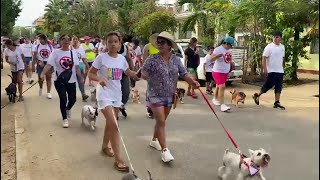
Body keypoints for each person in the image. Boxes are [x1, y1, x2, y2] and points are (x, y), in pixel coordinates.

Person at [141, 31, 200, 162]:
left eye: (163, 42)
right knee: (161, 121)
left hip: (169, 94)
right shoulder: (152, 58)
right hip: (154, 94)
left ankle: (154, 140)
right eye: (158, 42)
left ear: (169, 45)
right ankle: (165, 151)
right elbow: (143, 72)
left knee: (161, 121)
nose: (159, 44)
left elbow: (184, 74)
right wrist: (145, 75)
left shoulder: (176, 60)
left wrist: (193, 82)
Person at [88, 32, 139, 172]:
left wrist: (137, 74)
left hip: (117, 94)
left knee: (111, 123)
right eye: (109, 41)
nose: (112, 44)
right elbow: (91, 73)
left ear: (119, 43)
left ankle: (105, 147)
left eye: (115, 41)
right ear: (106, 43)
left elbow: (128, 72)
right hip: (103, 94)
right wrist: (100, 79)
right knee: (115, 125)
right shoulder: (101, 58)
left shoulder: (122, 59)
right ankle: (118, 159)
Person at [40, 34, 83, 128]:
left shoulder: (73, 53)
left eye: (68, 39)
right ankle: (64, 119)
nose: (66, 41)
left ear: (70, 41)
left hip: (71, 80)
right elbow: (49, 65)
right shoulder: (56, 53)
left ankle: (68, 109)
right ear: (60, 41)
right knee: (63, 99)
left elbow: (76, 67)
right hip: (59, 80)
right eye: (63, 39)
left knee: (73, 99)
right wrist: (43, 73)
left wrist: (80, 78)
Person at [253, 31, 286, 110]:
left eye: (277, 37)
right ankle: (257, 95)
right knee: (268, 85)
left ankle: (277, 102)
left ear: (280, 38)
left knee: (279, 87)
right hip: (271, 70)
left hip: (280, 70)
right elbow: (264, 58)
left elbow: (282, 58)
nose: (275, 38)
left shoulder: (282, 47)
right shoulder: (269, 47)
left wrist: (282, 68)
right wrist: (265, 69)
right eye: (274, 37)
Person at [211, 36, 235, 112]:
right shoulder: (218, 49)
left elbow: (229, 59)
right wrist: (218, 56)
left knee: (219, 86)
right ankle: (222, 105)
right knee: (222, 86)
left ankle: (215, 99)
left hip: (225, 71)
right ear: (227, 43)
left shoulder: (229, 50)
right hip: (218, 71)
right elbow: (211, 59)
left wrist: (232, 63)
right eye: (230, 45)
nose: (230, 47)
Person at [116, 32, 134, 118]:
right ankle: (115, 111)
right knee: (115, 92)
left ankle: (121, 105)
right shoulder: (110, 46)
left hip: (124, 72)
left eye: (119, 37)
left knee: (126, 92)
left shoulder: (125, 47)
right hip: (114, 73)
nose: (118, 38)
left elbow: (129, 59)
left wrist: (133, 71)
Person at [142, 33, 160, 118]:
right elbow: (144, 60)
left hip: (160, 72)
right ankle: (149, 109)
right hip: (151, 72)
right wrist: (145, 71)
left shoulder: (162, 47)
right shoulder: (147, 47)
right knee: (150, 90)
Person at [32, 34, 54, 99]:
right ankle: (41, 87)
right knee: (40, 78)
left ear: (44, 39)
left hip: (48, 63)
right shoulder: (37, 46)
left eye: (41, 39)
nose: (40, 40)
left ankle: (48, 92)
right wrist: (35, 63)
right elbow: (34, 56)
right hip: (40, 63)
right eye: (39, 39)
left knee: (48, 78)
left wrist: (51, 63)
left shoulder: (50, 46)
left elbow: (53, 55)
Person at [70, 35, 90, 101]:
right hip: (71, 68)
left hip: (80, 66)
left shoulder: (81, 49)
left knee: (81, 81)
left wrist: (87, 66)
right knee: (72, 82)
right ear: (71, 41)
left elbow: (84, 58)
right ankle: (72, 95)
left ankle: (83, 94)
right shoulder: (69, 48)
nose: (75, 40)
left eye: (76, 39)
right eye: (73, 39)